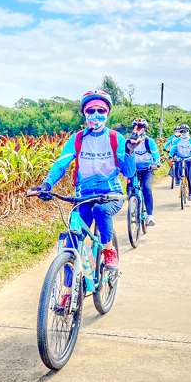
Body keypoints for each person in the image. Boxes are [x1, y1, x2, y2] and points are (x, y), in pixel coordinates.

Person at [30, 90, 137, 270]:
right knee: (70, 244)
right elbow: (61, 164)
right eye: (90, 111)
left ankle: (109, 250)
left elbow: (128, 172)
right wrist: (46, 184)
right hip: (83, 195)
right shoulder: (77, 138)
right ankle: (66, 292)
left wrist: (130, 152)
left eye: (101, 111)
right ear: (84, 114)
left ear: (107, 113)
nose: (96, 114)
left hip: (110, 193)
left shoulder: (114, 138)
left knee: (101, 211)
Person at [129, 118, 160, 226]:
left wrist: (156, 163)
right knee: (129, 186)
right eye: (137, 127)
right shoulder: (129, 141)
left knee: (146, 188)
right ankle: (132, 204)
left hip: (148, 169)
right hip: (134, 169)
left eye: (142, 128)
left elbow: (156, 154)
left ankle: (150, 215)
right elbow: (123, 155)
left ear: (145, 130)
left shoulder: (148, 141)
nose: (139, 130)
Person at [169, 124, 191, 200]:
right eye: (182, 131)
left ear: (188, 131)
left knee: (189, 177)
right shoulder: (176, 140)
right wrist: (170, 156)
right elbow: (173, 149)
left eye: (185, 131)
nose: (184, 133)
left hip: (189, 159)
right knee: (177, 170)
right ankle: (178, 180)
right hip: (179, 158)